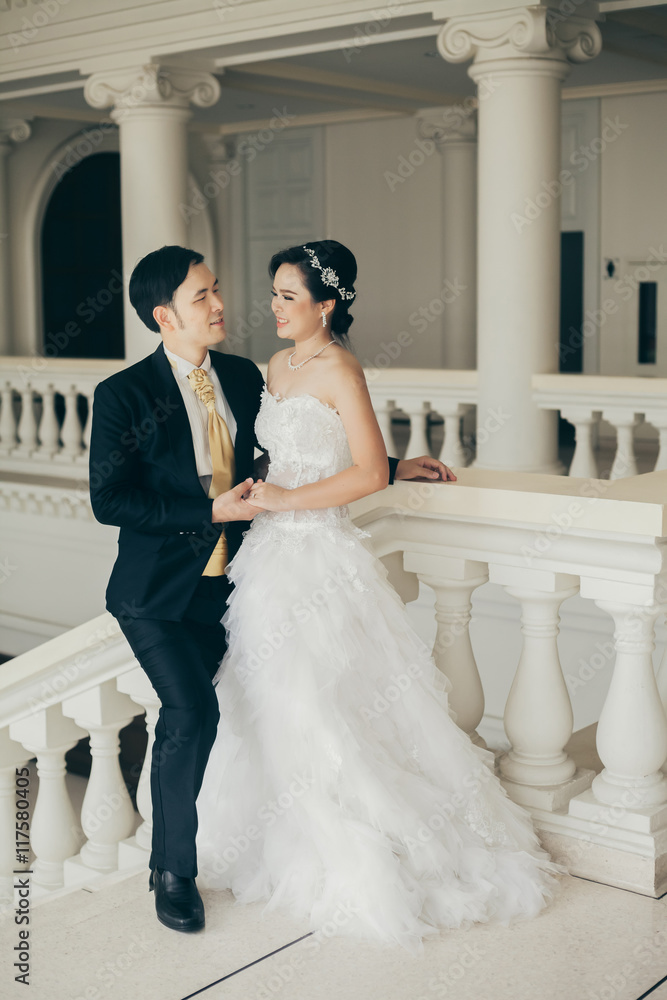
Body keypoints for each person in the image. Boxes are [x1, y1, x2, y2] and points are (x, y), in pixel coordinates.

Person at [195, 240, 563, 954]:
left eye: (288, 297)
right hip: (268, 559)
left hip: (318, 557)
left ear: (326, 304)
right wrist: (282, 493)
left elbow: (362, 474)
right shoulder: (275, 366)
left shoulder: (340, 368)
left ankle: (361, 851)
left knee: (325, 704)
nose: (272, 307)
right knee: (266, 700)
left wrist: (293, 497)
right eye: (272, 294)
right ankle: (278, 841)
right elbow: (313, 453)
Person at [88, 244, 448, 934]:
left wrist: (394, 466)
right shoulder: (123, 395)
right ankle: (171, 873)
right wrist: (210, 511)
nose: (221, 305)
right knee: (191, 714)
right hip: (156, 595)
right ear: (165, 315)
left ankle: (288, 846)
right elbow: (111, 500)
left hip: (239, 584)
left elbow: (291, 451)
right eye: (202, 296)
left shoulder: (241, 373)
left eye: (217, 289)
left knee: (287, 710)